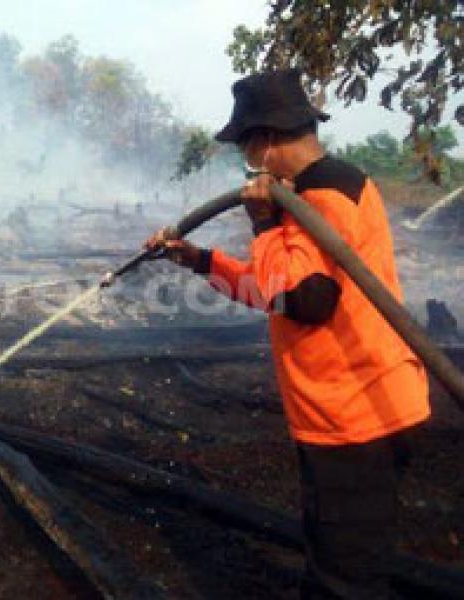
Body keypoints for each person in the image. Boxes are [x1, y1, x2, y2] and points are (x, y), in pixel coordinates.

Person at [145, 69, 430, 599]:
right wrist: (201, 261)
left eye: (247, 147)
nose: (247, 160)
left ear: (267, 140)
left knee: (345, 584)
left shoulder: (323, 197)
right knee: (339, 560)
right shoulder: (324, 187)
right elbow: (272, 292)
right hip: (353, 408)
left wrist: (264, 225)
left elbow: (306, 301)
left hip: (357, 415)